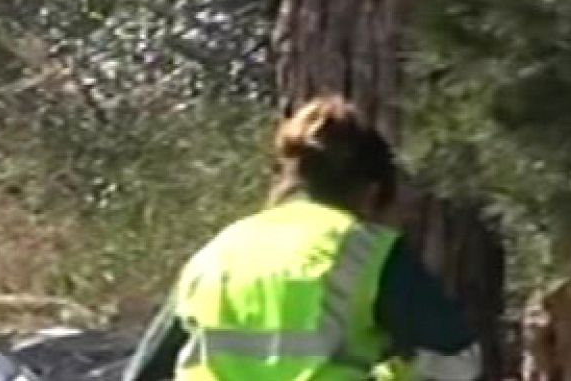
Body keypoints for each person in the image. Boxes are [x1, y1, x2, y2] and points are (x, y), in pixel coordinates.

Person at [122, 96, 482, 381]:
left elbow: (146, 370)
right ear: (372, 193)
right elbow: (457, 362)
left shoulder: (220, 250)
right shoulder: (368, 250)